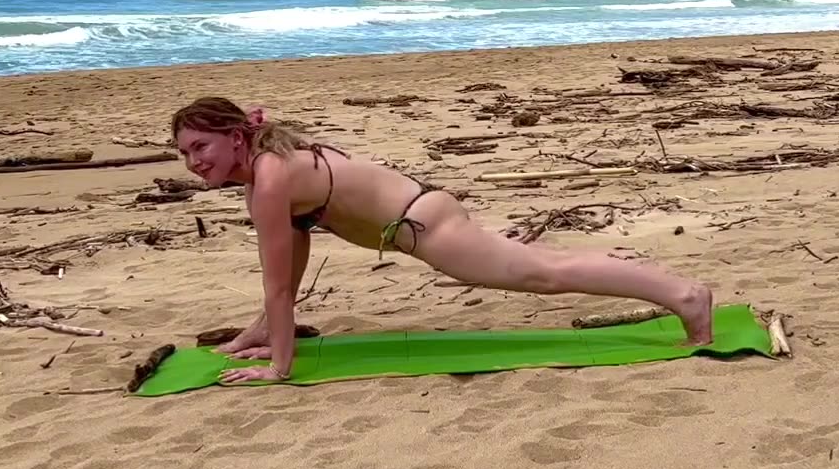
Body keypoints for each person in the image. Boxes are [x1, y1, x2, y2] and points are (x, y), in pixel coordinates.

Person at [170, 97, 715, 384]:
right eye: (185, 154)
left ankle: (684, 297)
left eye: (201, 147)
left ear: (236, 137)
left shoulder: (268, 181)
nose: (195, 163)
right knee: (547, 264)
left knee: (546, 275)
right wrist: (256, 336)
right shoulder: (270, 172)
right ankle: (672, 289)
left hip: (427, 227)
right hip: (426, 214)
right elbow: (290, 268)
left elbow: (279, 288)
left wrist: (279, 368)